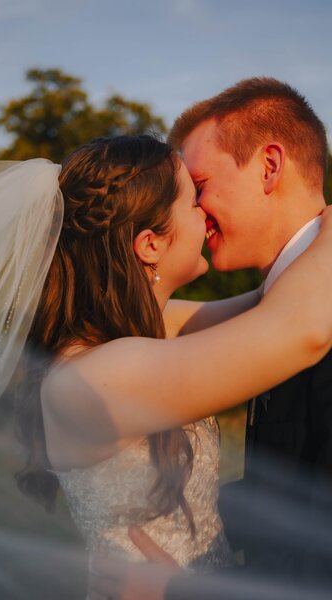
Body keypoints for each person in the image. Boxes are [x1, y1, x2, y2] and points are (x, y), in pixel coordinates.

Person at [0, 134, 332, 599]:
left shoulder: (141, 329)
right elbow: (302, 328)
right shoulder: (95, 375)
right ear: (149, 244)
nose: (204, 209)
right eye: (191, 200)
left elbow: (271, 302)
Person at [89, 79, 332, 599]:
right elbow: (301, 496)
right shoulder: (283, 304)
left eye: (200, 183)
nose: (197, 210)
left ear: (269, 167)